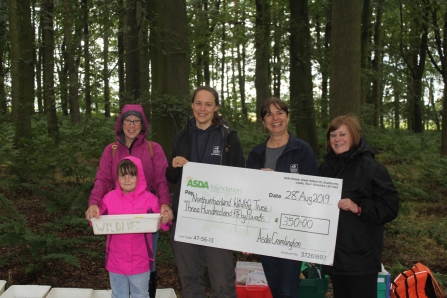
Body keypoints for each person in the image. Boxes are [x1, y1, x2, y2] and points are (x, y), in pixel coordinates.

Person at [85, 104, 173, 298]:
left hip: (146, 213)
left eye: (136, 121)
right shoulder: (112, 150)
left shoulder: (153, 149)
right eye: (127, 121)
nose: (132, 125)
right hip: (117, 212)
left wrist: (165, 204)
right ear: (121, 123)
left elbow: (161, 180)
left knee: (147, 260)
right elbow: (102, 179)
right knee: (119, 258)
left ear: (143, 125)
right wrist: (94, 203)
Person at [165, 86, 245, 298]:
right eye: (198, 103)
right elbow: (172, 178)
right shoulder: (181, 137)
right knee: (190, 282)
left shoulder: (228, 138)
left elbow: (241, 179)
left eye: (208, 104)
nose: (202, 108)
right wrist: (173, 166)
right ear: (192, 105)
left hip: (218, 221)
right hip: (185, 218)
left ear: (216, 107)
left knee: (222, 283)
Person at [319, 115, 399, 298]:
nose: (337, 139)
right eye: (333, 135)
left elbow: (390, 205)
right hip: (335, 256)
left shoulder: (370, 167)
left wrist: (358, 207)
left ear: (354, 136)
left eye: (342, 134)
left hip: (361, 257)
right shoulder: (326, 168)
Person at [246, 97, 319, 298]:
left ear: (287, 117)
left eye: (279, 112)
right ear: (263, 121)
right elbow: (248, 196)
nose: (274, 118)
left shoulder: (302, 150)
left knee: (288, 290)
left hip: (292, 231)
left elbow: (313, 191)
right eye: (268, 114)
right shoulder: (256, 154)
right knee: (276, 288)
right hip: (266, 231)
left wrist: (277, 180)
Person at [99, 156, 171, 298]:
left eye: (132, 175)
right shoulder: (109, 199)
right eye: (123, 175)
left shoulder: (149, 200)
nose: (127, 179)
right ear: (117, 177)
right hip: (115, 261)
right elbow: (97, 220)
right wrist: (93, 213)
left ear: (140, 176)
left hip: (140, 262)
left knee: (141, 295)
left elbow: (163, 221)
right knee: (119, 295)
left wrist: (166, 218)